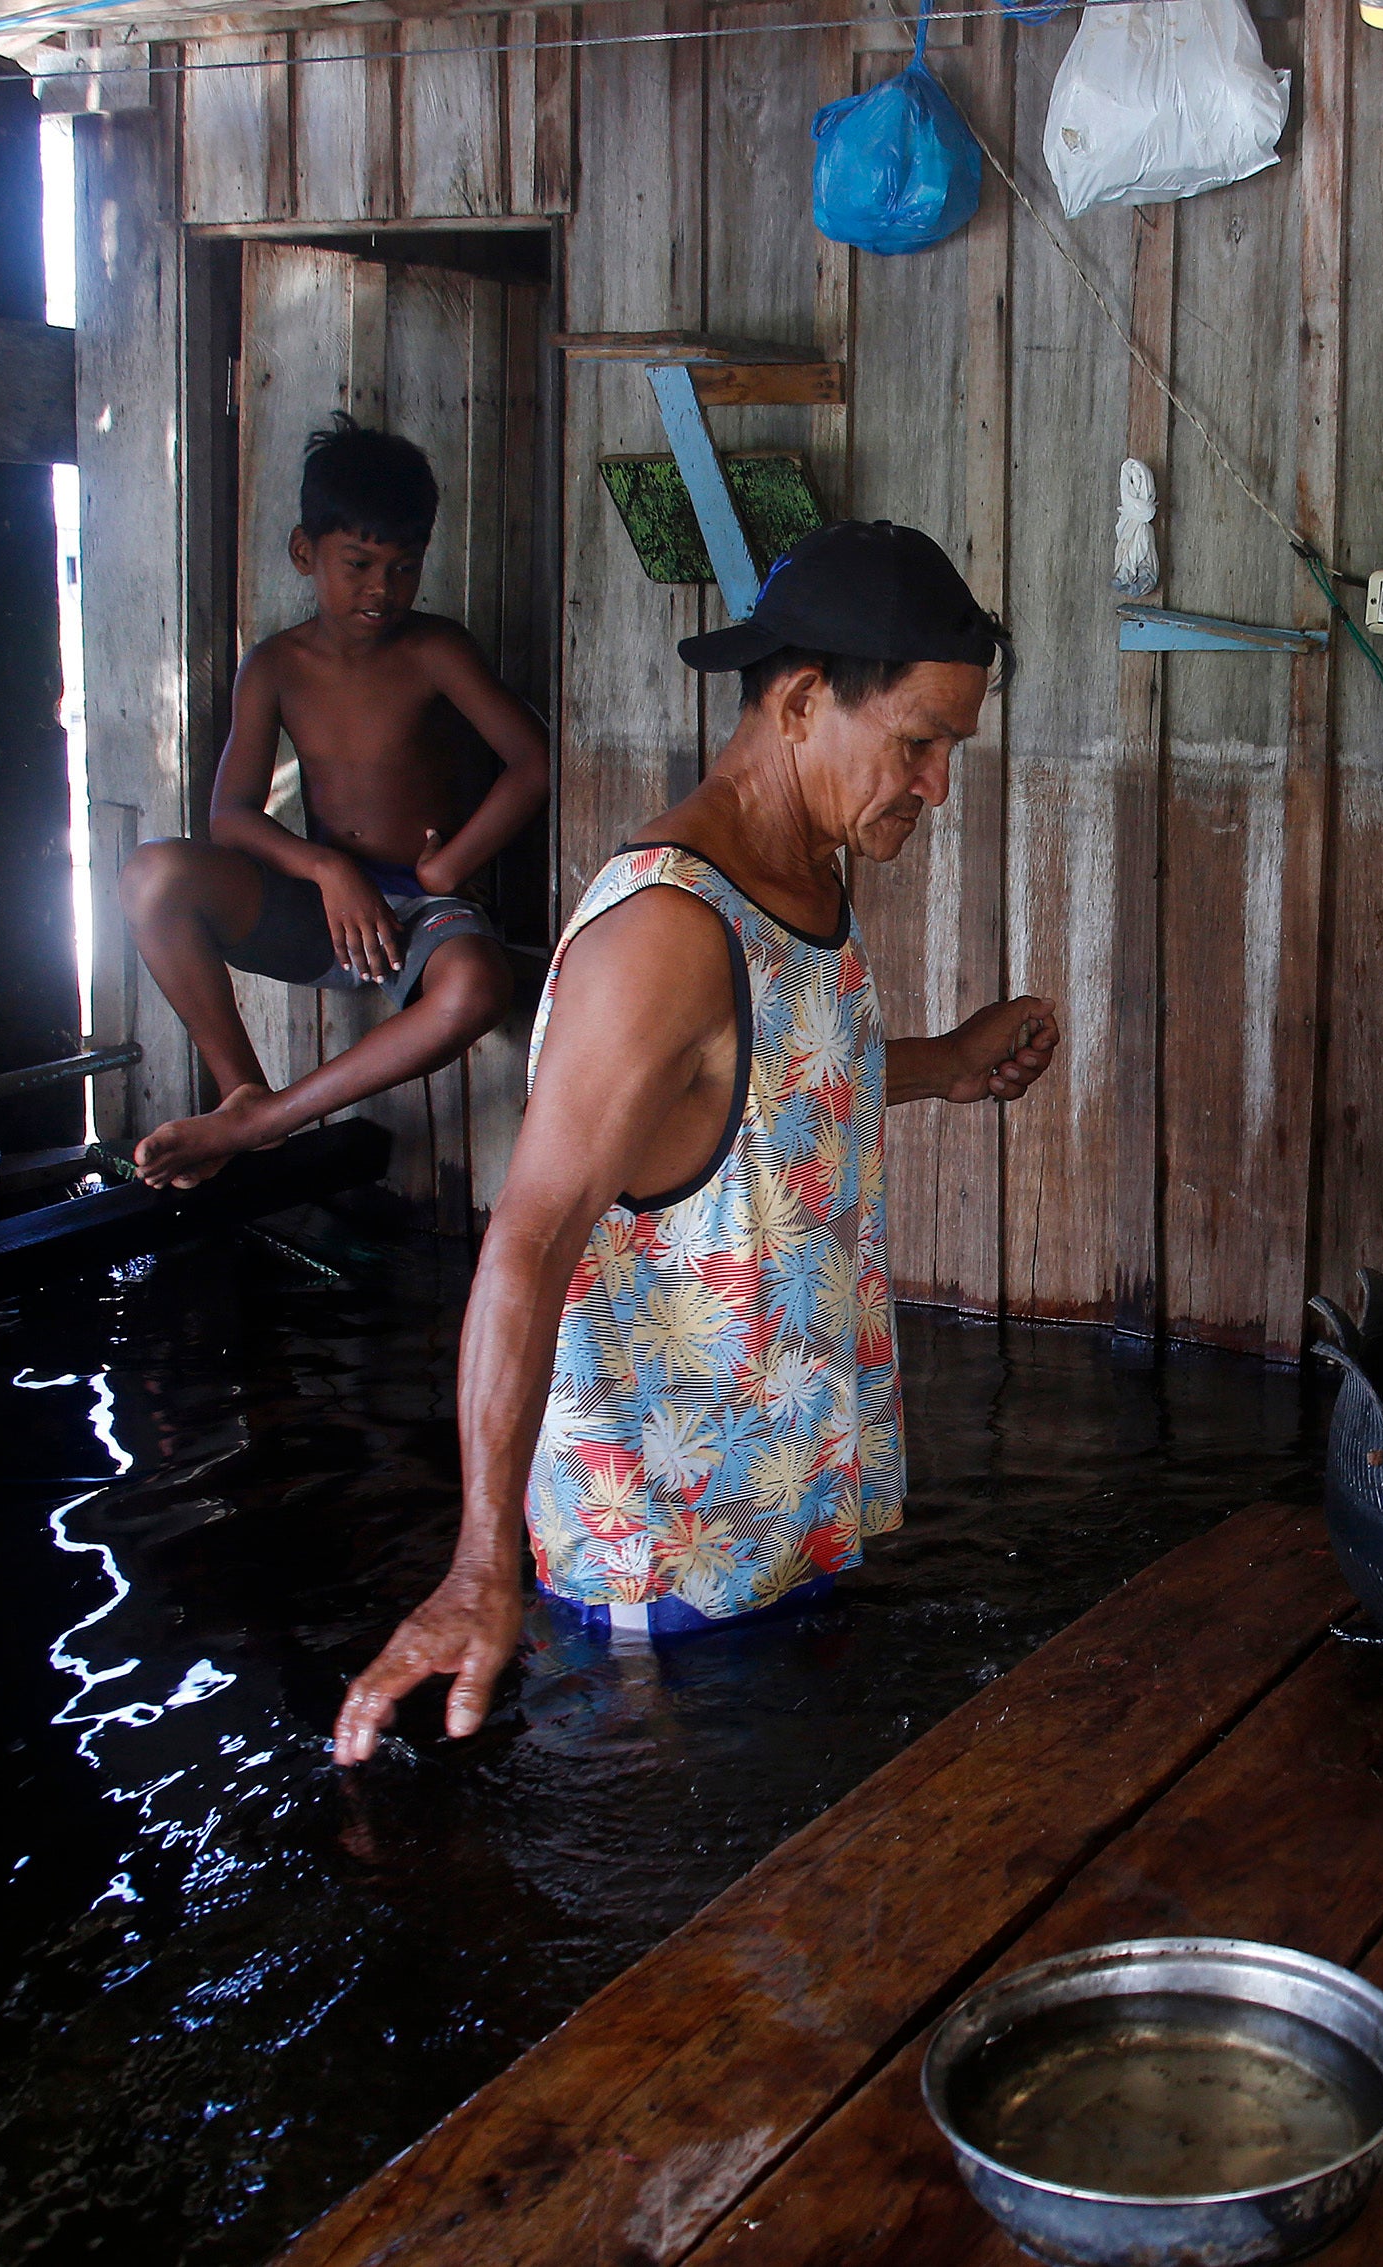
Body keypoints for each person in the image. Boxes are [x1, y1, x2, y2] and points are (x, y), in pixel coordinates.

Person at [332, 521, 1058, 1764]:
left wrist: (947, 1064)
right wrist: (477, 1559)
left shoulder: (805, 868)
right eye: (920, 744)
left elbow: (764, 1096)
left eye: (951, 749)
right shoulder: (663, 932)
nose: (938, 785)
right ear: (800, 699)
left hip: (776, 1511)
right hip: (657, 1576)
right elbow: (529, 1240)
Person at [118, 417, 548, 1188]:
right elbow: (230, 816)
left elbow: (533, 761)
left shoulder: (435, 651)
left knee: (479, 987)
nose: (382, 589)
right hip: (325, 911)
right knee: (152, 877)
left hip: (421, 909)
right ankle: (242, 1088)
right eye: (359, 564)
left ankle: (267, 1119)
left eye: (404, 567)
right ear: (304, 553)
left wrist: (450, 866)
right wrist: (325, 868)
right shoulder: (275, 666)